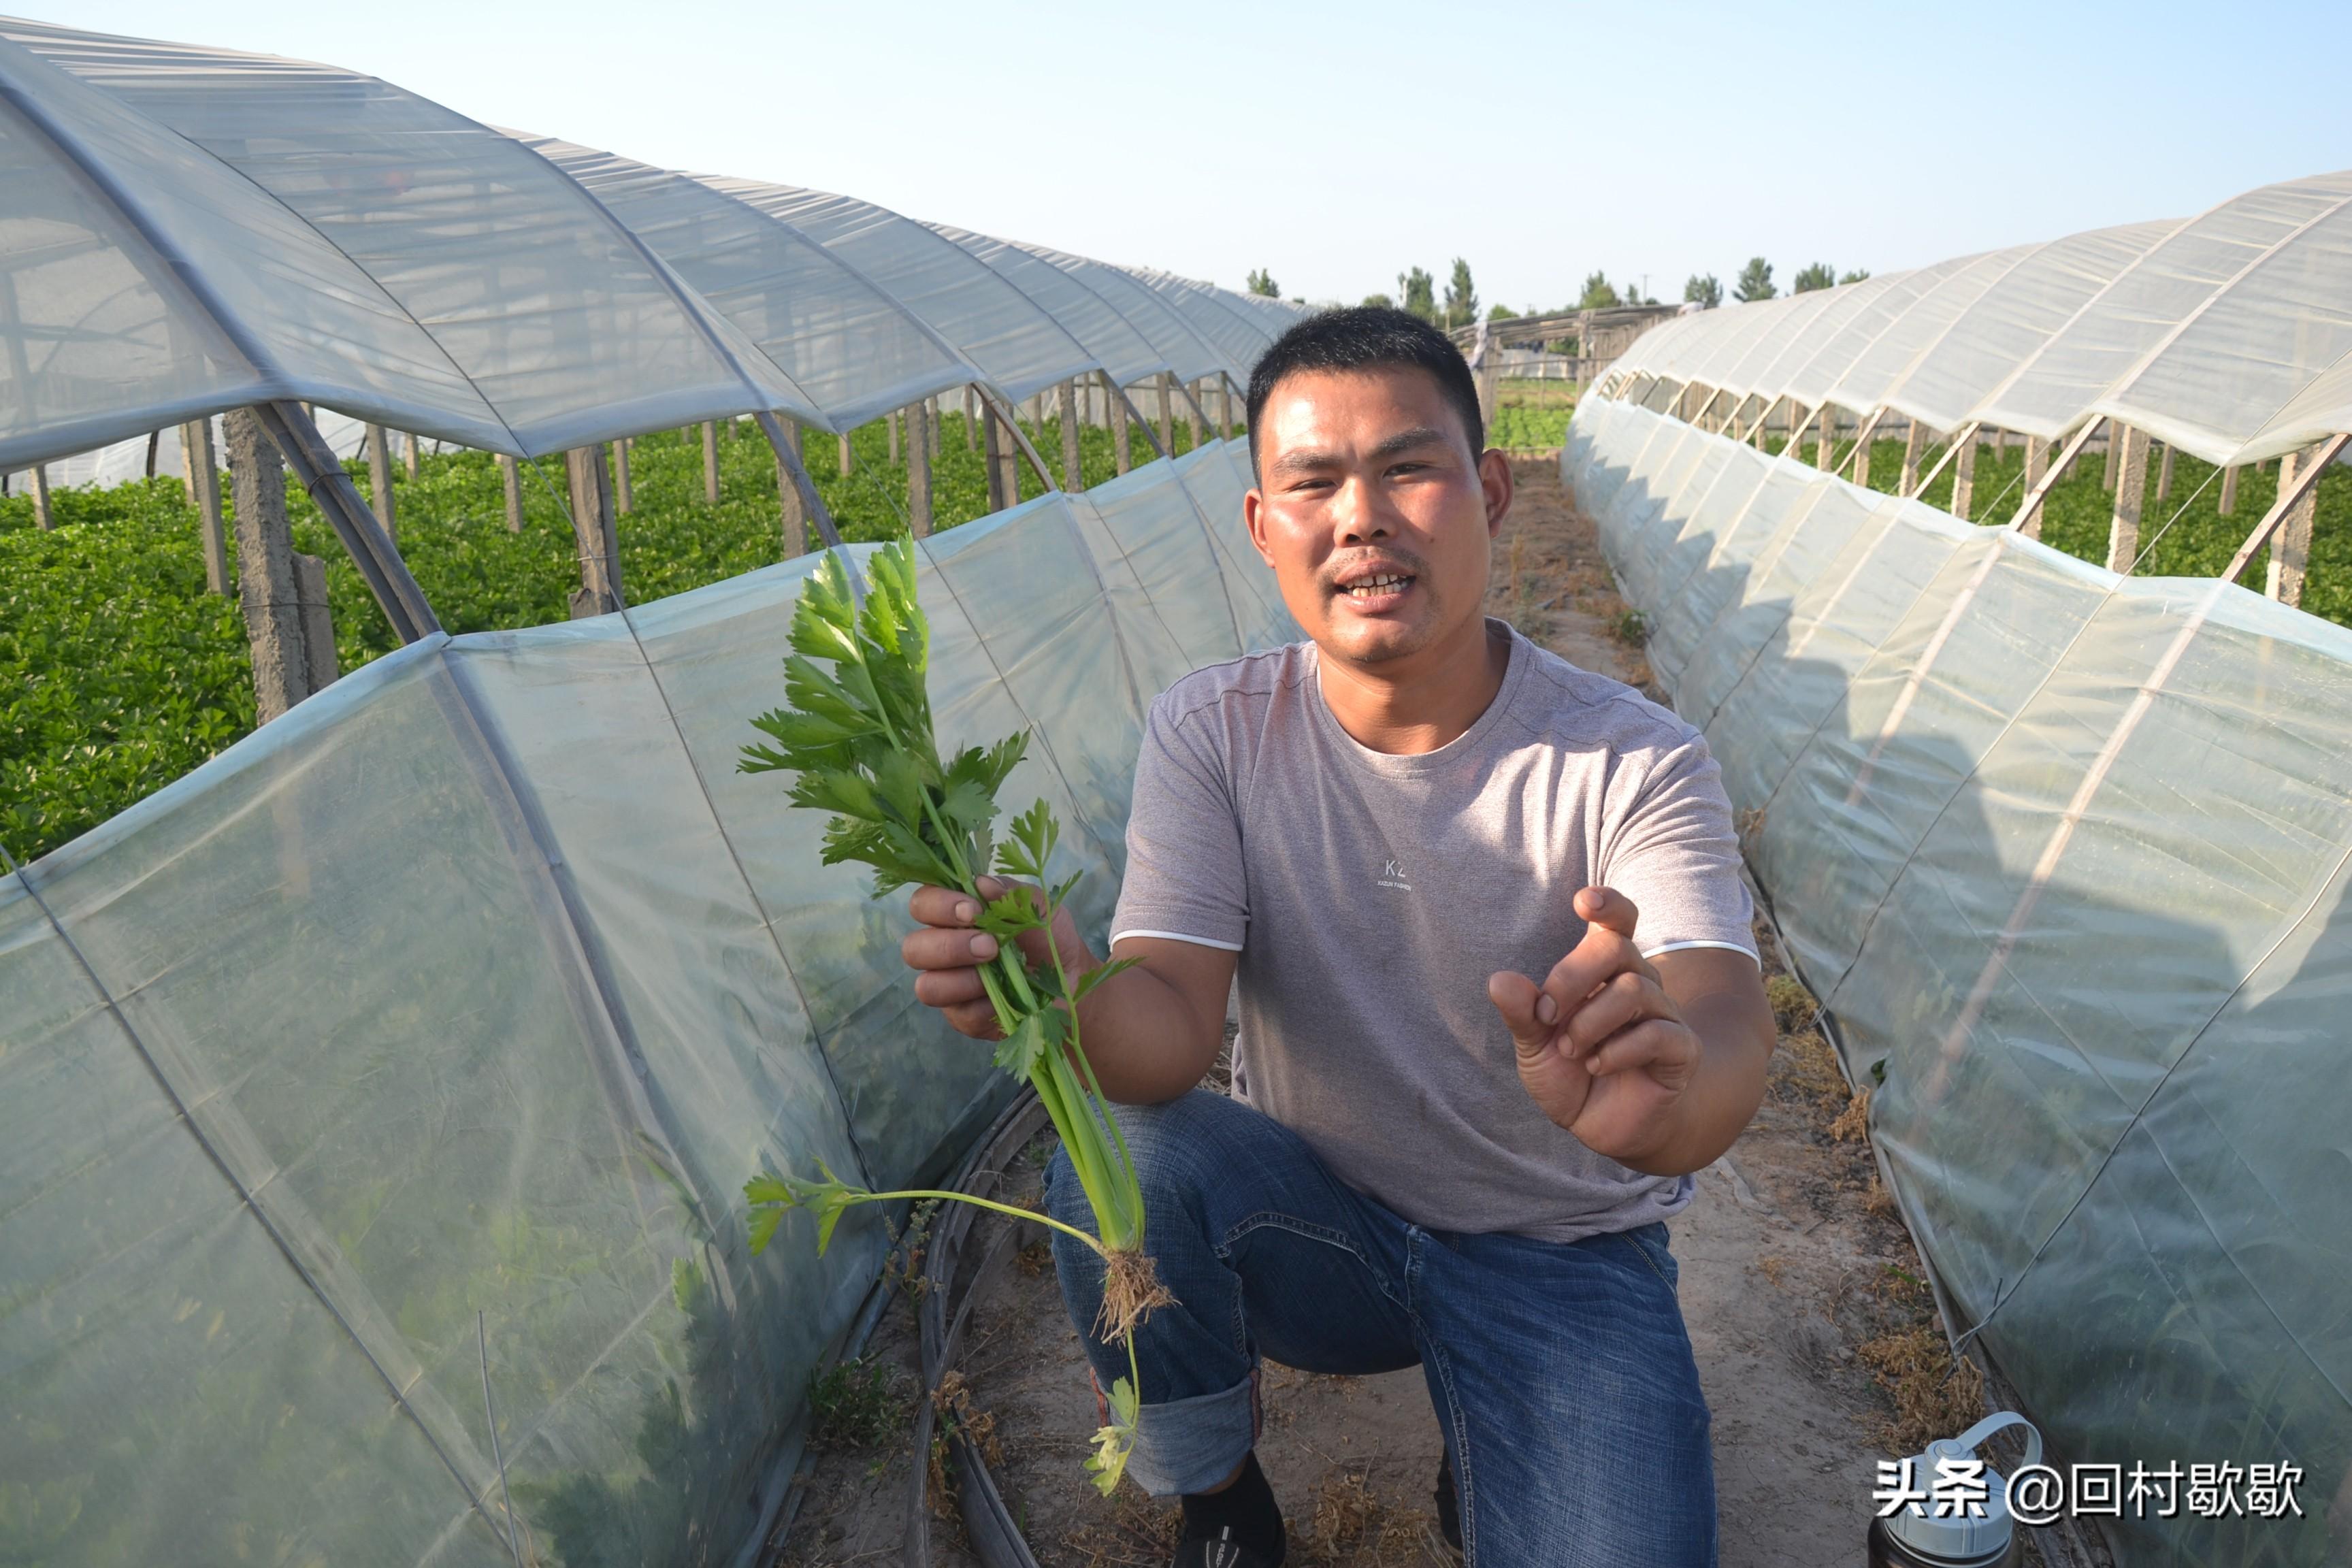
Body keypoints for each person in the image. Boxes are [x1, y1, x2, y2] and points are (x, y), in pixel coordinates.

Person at [898, 306, 1775, 1567]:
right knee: (1134, 1157)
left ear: (1491, 490)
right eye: (1312, 483)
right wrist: (1063, 989)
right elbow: (1164, 1041)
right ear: (1265, 529)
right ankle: (1218, 1492)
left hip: (1558, 1248)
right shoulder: (1215, 735)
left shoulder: (1633, 759)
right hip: (1324, 1227)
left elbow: (1726, 1027)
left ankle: (1499, 1452)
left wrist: (1670, 1105)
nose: (1360, 516)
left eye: (1408, 468)